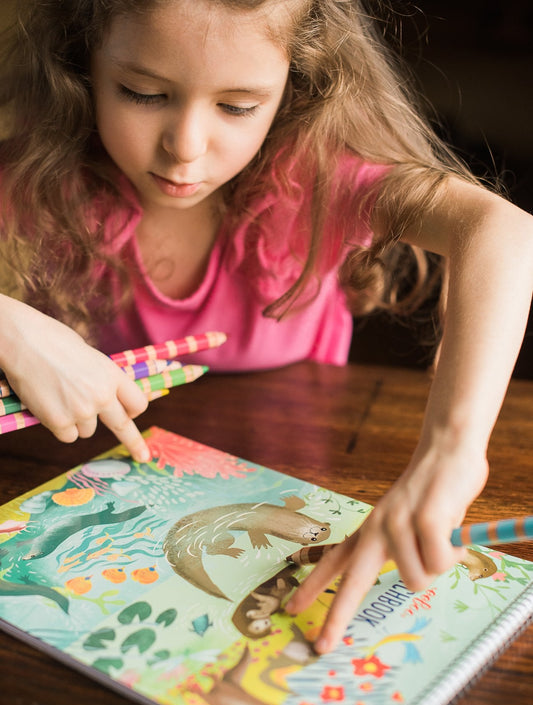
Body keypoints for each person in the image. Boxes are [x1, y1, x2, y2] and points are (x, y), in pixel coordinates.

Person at [0, 0, 531, 652]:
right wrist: (10, 325)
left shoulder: (317, 179)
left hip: (301, 479)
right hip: (95, 493)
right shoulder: (39, 178)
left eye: (237, 106)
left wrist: (451, 454)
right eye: (142, 93)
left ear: (295, 88)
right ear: (82, 63)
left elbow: (503, 230)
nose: (185, 146)